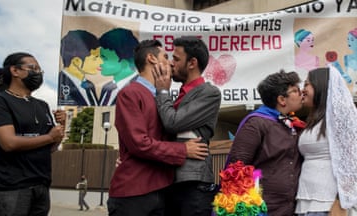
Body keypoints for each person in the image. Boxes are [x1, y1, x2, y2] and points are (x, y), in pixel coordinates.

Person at [107, 39, 209, 216]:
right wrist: (182, 150)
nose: (170, 62)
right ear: (151, 59)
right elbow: (139, 143)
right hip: (134, 194)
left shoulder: (163, 99)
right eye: (166, 56)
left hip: (162, 192)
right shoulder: (130, 93)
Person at [152, 36, 222, 216]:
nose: (170, 63)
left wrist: (162, 91)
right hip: (169, 180)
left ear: (192, 63)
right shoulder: (177, 96)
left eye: (176, 59)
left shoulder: (209, 93)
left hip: (194, 184)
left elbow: (172, 122)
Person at [228, 70, 305, 215]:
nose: (301, 94)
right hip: (262, 208)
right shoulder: (256, 124)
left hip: (290, 208)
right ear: (282, 100)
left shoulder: (293, 124)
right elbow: (237, 165)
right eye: (295, 91)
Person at [0, 52, 65, 216]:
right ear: (15, 71)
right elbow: (8, 143)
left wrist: (61, 127)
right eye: (33, 68)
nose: (37, 73)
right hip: (12, 187)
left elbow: (50, 148)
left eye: (40, 71)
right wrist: (49, 137)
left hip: (41, 185)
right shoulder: (1, 101)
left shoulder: (42, 106)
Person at [295, 67, 357, 216]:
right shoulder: (315, 119)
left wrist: (341, 201)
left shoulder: (340, 116)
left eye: (307, 85)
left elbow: (351, 161)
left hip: (327, 203)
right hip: (306, 200)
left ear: (320, 86)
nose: (303, 90)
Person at [59, 30, 102, 106]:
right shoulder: (60, 84)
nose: (101, 62)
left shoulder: (89, 85)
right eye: (95, 58)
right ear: (77, 62)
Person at [99, 28, 139, 106]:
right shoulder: (106, 88)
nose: (99, 62)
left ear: (124, 63)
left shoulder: (140, 88)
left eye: (104, 58)